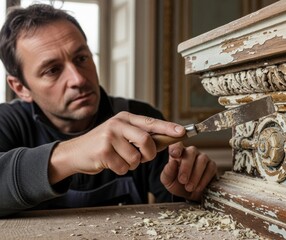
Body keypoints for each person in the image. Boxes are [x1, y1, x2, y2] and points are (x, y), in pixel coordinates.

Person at [0, 3, 217, 217]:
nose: (78, 79)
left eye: (82, 58)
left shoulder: (141, 119)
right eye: (52, 70)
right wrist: (71, 154)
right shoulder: (8, 122)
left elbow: (177, 207)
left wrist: (187, 192)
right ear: (20, 88)